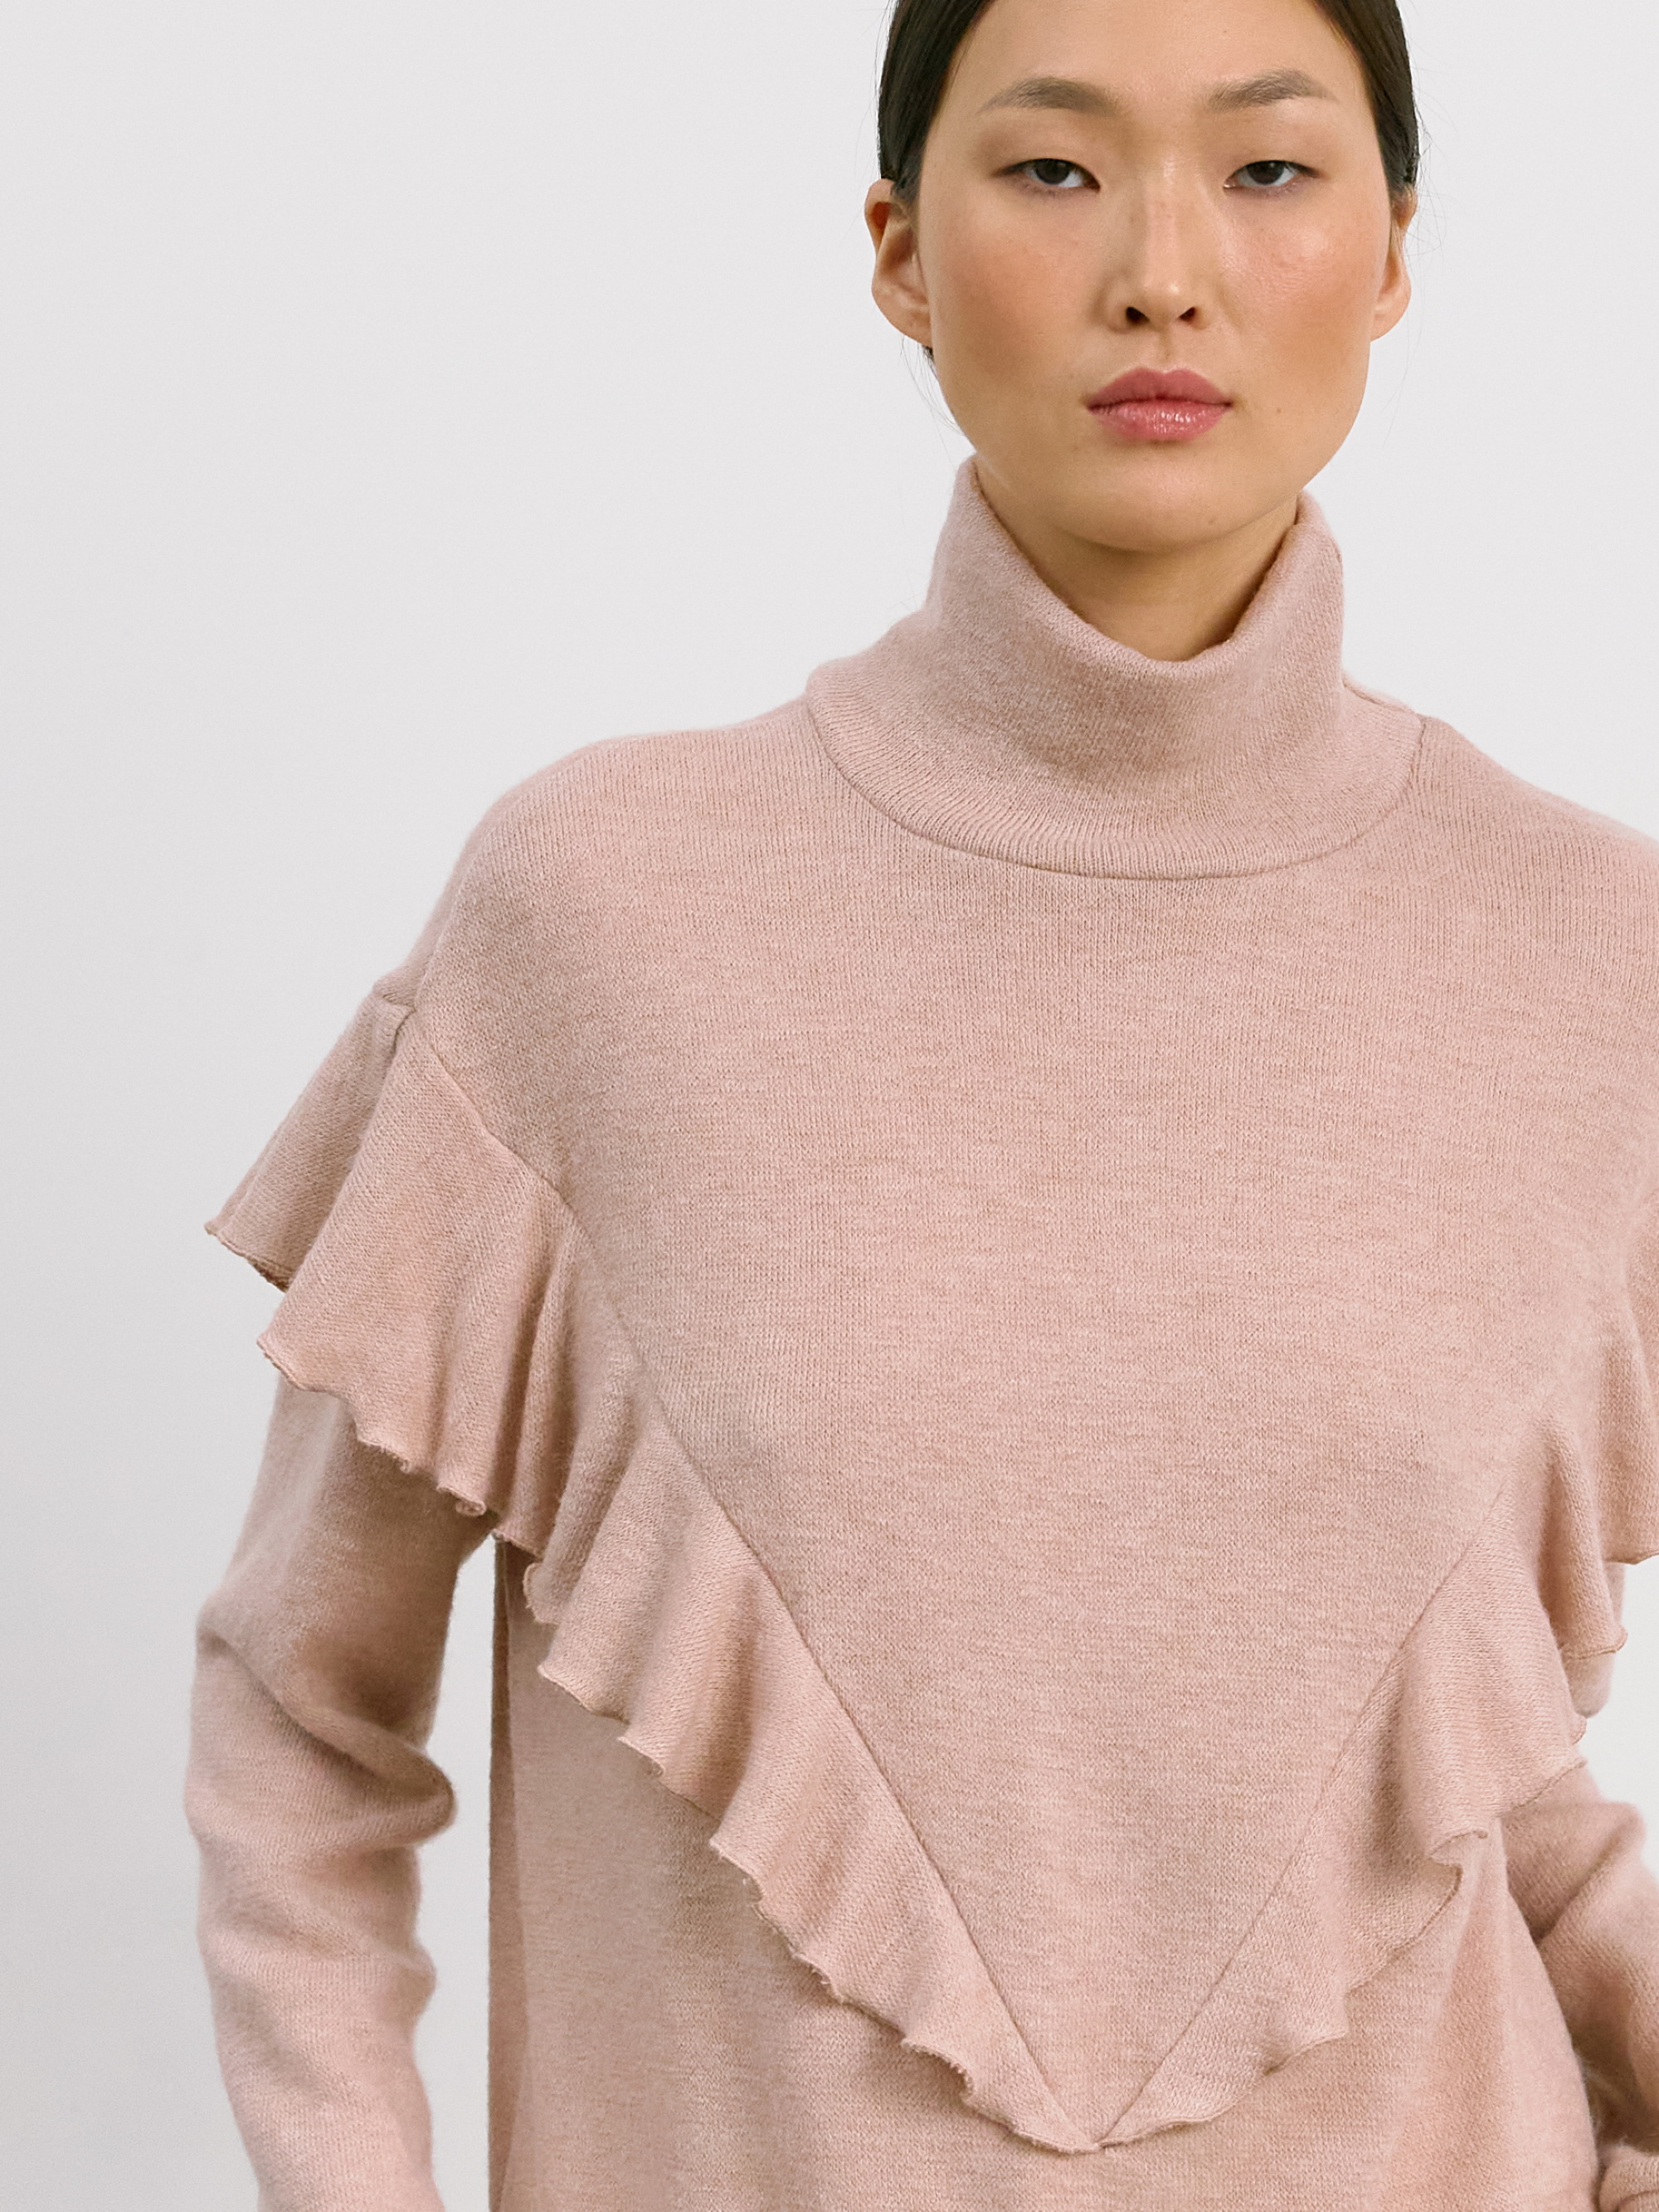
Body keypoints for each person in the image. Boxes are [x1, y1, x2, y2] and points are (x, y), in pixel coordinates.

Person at [184, 0, 1659, 2205]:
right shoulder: (604, 916)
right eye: (1054, 167)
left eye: (1267, 169)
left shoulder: (1590, 957)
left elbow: (1426, 1774)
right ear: (897, 250)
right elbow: (302, 1711)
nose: (1163, 271)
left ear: (1391, 254)